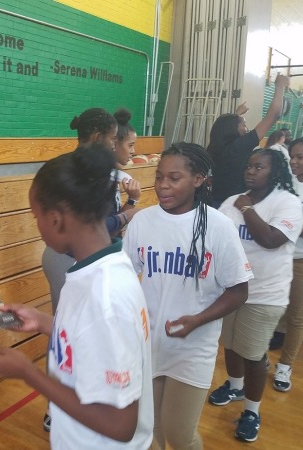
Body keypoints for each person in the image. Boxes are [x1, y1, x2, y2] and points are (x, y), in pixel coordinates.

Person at [0, 142, 154, 449]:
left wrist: (29, 373)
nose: (37, 226)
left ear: (55, 219)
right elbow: (90, 337)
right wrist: (42, 322)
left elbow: (121, 424)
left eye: (36, 216)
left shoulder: (107, 294)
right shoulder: (94, 268)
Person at [122, 142, 251, 450]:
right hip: (148, 343)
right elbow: (125, 278)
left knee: (179, 435)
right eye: (159, 176)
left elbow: (239, 290)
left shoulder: (220, 227)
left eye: (174, 178)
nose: (163, 185)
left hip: (193, 348)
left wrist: (197, 320)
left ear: (198, 179)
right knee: (148, 432)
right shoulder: (143, 221)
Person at [40, 107, 140, 431]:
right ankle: (58, 405)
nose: (116, 146)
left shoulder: (109, 288)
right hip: (68, 260)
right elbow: (100, 224)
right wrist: (128, 213)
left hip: (83, 262)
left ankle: (66, 401)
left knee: (70, 335)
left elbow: (122, 425)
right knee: (64, 335)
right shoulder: (76, 175)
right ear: (97, 138)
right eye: (114, 140)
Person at [209, 148, 303, 442]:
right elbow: (215, 237)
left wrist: (248, 208)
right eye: (248, 165)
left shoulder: (288, 202)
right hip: (232, 289)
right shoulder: (231, 201)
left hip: (265, 293)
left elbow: (271, 239)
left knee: (253, 355)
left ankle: (252, 410)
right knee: (232, 346)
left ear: (274, 172)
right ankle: (235, 386)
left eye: (258, 167)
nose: (250, 171)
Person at [207, 74, 290, 207]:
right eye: (243, 125)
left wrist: (237, 114)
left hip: (215, 203)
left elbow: (226, 125)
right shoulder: (239, 147)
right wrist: (279, 86)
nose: (247, 129)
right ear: (234, 129)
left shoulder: (217, 148)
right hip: (234, 206)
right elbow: (274, 115)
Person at [273, 138, 303, 392]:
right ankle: (275, 338)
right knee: (276, 305)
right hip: (279, 255)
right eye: (292, 156)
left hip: (301, 260)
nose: (294, 161)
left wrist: (290, 224)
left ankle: (285, 365)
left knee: (297, 316)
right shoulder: (286, 183)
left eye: (300, 157)